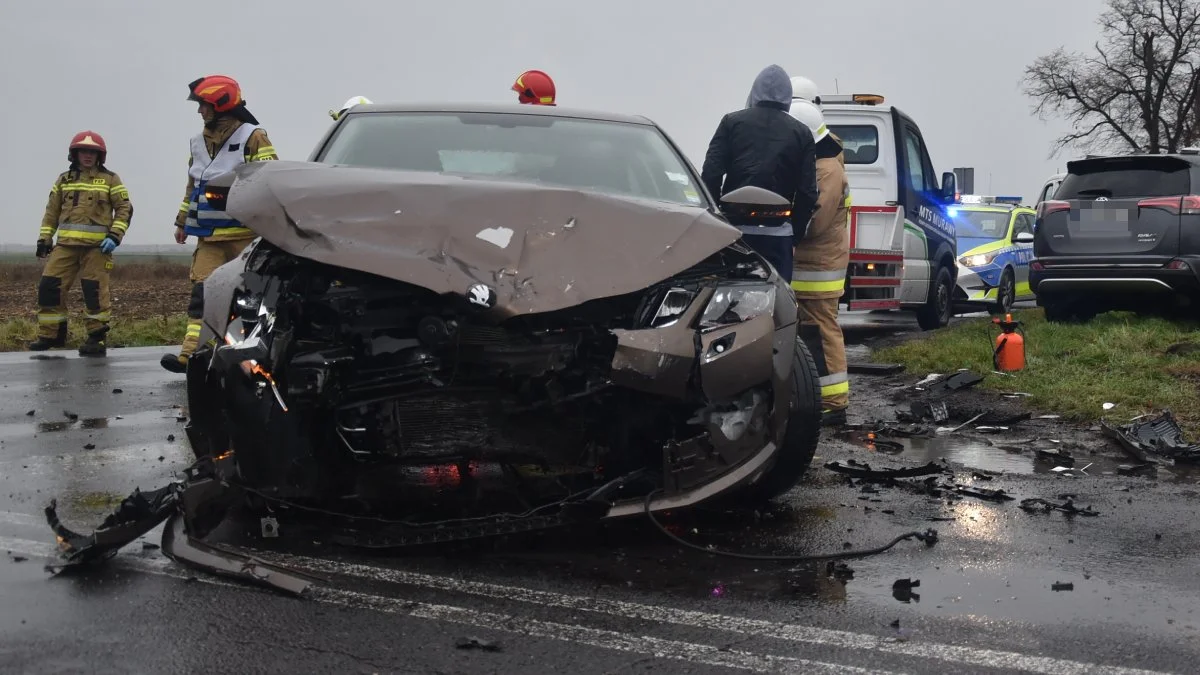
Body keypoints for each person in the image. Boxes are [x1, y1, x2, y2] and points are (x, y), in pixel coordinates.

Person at [160, 74, 279, 374]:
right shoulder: (198, 143)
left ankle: (255, 357)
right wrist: (182, 221)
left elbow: (269, 179)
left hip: (245, 236)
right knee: (201, 294)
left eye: (204, 105)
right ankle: (192, 355)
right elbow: (193, 186)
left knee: (250, 297)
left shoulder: (253, 137)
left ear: (220, 105)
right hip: (208, 236)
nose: (200, 112)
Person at [700, 64, 818, 283]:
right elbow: (808, 193)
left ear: (754, 92)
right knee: (777, 302)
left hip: (734, 232)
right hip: (778, 234)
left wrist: (717, 220)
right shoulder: (801, 133)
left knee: (728, 300)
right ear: (788, 98)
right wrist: (794, 235)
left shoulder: (731, 123)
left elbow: (710, 176)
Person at [30, 131, 133, 357]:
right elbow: (51, 212)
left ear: (100, 156)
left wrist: (114, 236)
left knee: (94, 293)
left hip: (97, 249)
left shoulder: (111, 179)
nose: (88, 156)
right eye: (83, 151)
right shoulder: (63, 179)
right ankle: (51, 335)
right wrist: (44, 238)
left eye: (92, 152)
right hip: (65, 246)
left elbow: (125, 209)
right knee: (49, 288)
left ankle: (96, 338)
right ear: (74, 154)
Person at [789, 97, 851, 426]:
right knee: (812, 332)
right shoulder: (823, 165)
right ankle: (819, 397)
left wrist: (787, 222)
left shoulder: (826, 171)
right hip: (814, 267)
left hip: (819, 268)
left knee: (822, 332)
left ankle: (834, 403)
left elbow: (815, 222)